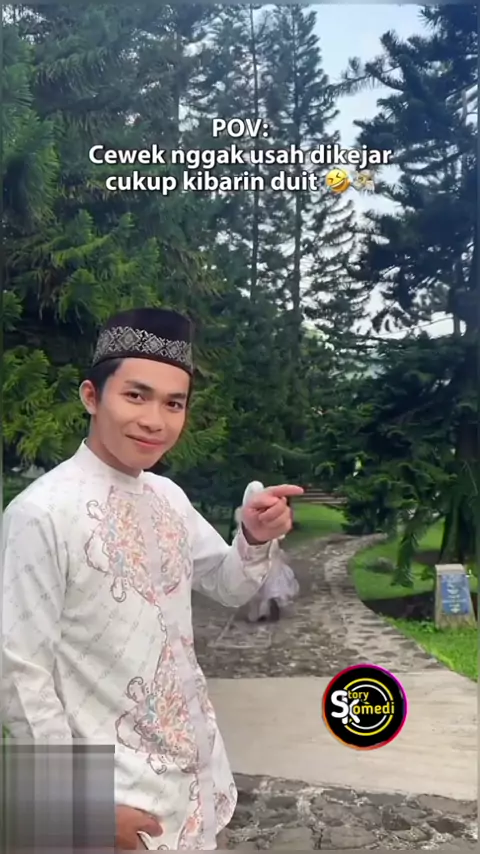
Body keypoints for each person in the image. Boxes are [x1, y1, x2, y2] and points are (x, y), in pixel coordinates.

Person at [2, 307, 303, 851]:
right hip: (111, 801)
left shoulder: (168, 497)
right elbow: (20, 674)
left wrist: (254, 537)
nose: (154, 420)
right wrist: (78, 810)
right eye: (136, 396)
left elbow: (227, 584)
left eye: (173, 403)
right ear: (92, 397)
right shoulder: (40, 513)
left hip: (194, 777)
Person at [235, 484, 300, 623]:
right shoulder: (247, 513)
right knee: (263, 581)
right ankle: (261, 609)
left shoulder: (248, 513)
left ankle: (263, 610)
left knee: (264, 581)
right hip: (259, 552)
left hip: (266, 551)